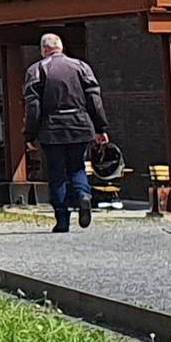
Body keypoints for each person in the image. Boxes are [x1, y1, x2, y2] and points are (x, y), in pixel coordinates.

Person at [22, 33, 111, 232]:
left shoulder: (37, 69)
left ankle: (62, 220)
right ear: (61, 48)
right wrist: (101, 127)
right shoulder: (81, 66)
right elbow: (94, 99)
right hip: (80, 125)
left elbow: (33, 105)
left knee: (56, 172)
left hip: (51, 128)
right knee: (77, 166)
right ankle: (83, 195)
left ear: (44, 50)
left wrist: (30, 134)